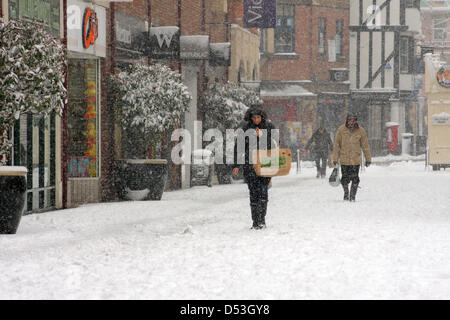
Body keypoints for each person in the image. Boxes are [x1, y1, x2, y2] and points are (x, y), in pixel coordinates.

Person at [232, 105, 276, 229]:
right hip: (249, 165)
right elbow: (238, 147)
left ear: (262, 117)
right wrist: (236, 164)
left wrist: (262, 136)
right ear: (250, 118)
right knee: (253, 192)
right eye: (254, 118)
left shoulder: (269, 127)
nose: (256, 120)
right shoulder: (245, 129)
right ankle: (255, 221)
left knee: (263, 191)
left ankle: (262, 219)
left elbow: (276, 144)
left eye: (258, 117)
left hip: (265, 163)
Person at [331, 112, 371, 202]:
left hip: (355, 160)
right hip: (344, 160)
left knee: (355, 179)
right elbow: (337, 145)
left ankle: (352, 196)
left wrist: (368, 159)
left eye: (353, 121)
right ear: (347, 121)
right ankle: (346, 193)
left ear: (355, 121)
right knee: (344, 179)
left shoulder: (361, 131)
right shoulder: (341, 130)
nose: (351, 123)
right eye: (350, 121)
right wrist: (335, 159)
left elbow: (365, 146)